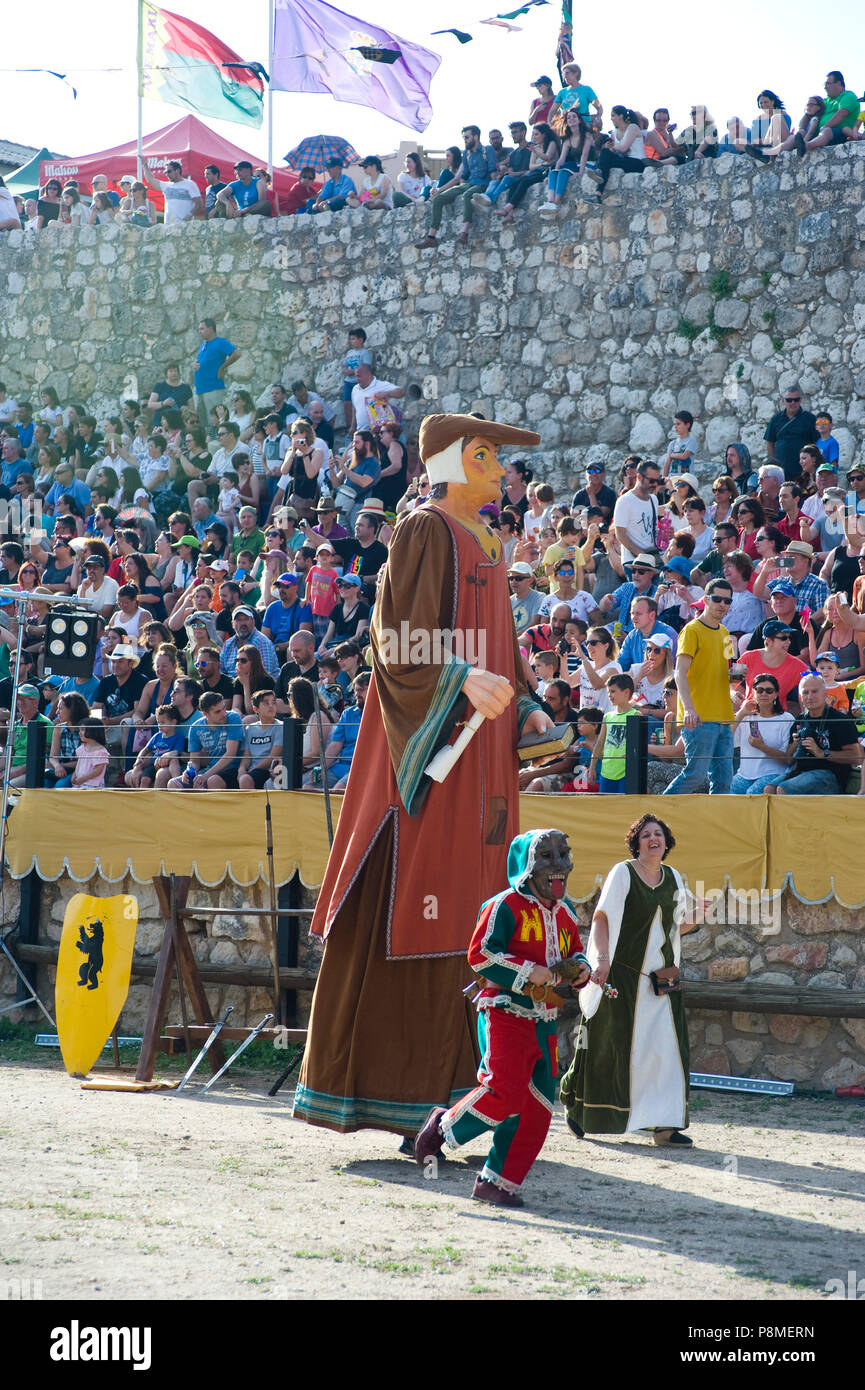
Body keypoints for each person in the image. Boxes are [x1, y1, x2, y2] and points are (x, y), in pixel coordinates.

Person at [294, 412, 550, 1141]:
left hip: (483, 758)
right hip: (433, 759)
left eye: (499, 458)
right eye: (486, 456)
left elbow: (499, 643)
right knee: (419, 901)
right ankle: (391, 1095)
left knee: (477, 911)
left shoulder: (489, 541)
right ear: (452, 461)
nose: (501, 470)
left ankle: (466, 1105)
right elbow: (397, 639)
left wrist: (525, 703)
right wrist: (462, 678)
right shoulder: (423, 529)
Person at [414, 829, 589, 1207]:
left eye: (563, 854)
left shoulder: (567, 912)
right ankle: (442, 1127)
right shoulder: (503, 906)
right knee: (504, 1093)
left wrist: (582, 970)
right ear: (526, 865)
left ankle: (497, 1183)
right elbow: (479, 956)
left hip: (545, 1021)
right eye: (546, 856)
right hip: (504, 1014)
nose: (559, 865)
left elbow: (576, 951)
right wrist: (529, 971)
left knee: (539, 1106)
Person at [559, 813, 700, 1146]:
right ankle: (579, 1106)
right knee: (607, 1045)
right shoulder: (622, 873)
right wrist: (602, 961)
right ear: (636, 843)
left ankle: (665, 1128)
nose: (654, 839)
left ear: (667, 843)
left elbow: (674, 929)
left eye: (659, 834)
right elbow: (602, 918)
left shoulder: (675, 878)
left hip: (661, 983)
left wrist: (697, 916)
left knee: (667, 1052)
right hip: (620, 977)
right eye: (647, 834)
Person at [664, 577, 735, 794]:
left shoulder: (724, 632)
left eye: (727, 601)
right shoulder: (692, 630)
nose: (722, 604)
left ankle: (716, 826)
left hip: (723, 716)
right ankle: (656, 820)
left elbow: (727, 673)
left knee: (724, 781)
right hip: (699, 717)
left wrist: (738, 675)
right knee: (695, 775)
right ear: (705, 599)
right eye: (717, 599)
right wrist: (690, 709)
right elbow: (679, 672)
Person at [748, 674, 861, 795]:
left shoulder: (839, 720)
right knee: (768, 789)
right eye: (805, 692)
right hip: (799, 771)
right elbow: (789, 759)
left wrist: (822, 753)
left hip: (829, 774)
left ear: (825, 694)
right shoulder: (800, 720)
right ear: (801, 697)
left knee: (784, 789)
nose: (810, 696)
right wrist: (795, 744)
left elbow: (856, 757)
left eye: (814, 691)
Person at [415, 125, 498, 249]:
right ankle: (431, 237)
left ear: (476, 137)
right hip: (469, 183)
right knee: (438, 199)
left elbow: (493, 171)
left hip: (483, 184)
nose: (465, 140)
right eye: (464, 137)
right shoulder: (466, 153)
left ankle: (464, 232)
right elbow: (463, 176)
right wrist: (444, 190)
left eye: (467, 137)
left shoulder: (488, 150)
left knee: (467, 195)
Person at [730, 675, 796, 794]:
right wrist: (741, 714)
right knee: (725, 794)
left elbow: (786, 759)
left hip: (773, 773)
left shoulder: (786, 719)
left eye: (769, 691)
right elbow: (727, 740)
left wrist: (762, 746)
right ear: (754, 693)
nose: (764, 694)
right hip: (744, 775)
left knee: (752, 794)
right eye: (759, 690)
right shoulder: (746, 716)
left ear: (776, 694)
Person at [588, 672, 639, 792]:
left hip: (625, 772)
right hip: (606, 771)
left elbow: (639, 746)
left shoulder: (636, 715)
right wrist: (592, 768)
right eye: (608, 692)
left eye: (613, 691)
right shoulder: (607, 716)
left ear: (626, 692)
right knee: (606, 808)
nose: (609, 695)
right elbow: (599, 743)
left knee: (623, 807)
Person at [588, 106, 647, 199]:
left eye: (613, 115)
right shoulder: (614, 133)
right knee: (605, 153)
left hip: (637, 162)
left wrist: (612, 146)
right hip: (624, 161)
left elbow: (623, 148)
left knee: (605, 162)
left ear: (620, 116)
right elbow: (613, 151)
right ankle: (598, 193)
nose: (611, 118)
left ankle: (599, 172)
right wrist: (608, 147)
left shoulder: (633, 127)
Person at [796, 71, 860, 155]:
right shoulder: (825, 101)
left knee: (827, 131)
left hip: (840, 133)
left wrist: (825, 126)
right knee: (793, 137)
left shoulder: (849, 96)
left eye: (828, 84)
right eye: (825, 84)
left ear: (838, 83)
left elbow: (841, 114)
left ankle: (806, 146)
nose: (825, 87)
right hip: (819, 134)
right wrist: (801, 129)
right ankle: (776, 152)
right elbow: (808, 114)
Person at [193, 319, 240, 432]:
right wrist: (193, 364)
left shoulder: (220, 342)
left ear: (210, 329)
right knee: (203, 422)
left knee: (214, 420)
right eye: (199, 329)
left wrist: (222, 367)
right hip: (201, 389)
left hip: (213, 387)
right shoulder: (203, 345)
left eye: (202, 329)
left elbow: (236, 353)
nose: (200, 332)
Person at [238, 689, 284, 789]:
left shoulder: (281, 726)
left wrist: (252, 770)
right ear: (255, 709)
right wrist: (241, 769)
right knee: (217, 780)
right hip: (251, 771)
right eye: (266, 703)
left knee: (245, 779)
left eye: (273, 702)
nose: (271, 706)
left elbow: (273, 756)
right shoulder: (250, 728)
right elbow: (247, 756)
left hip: (269, 770)